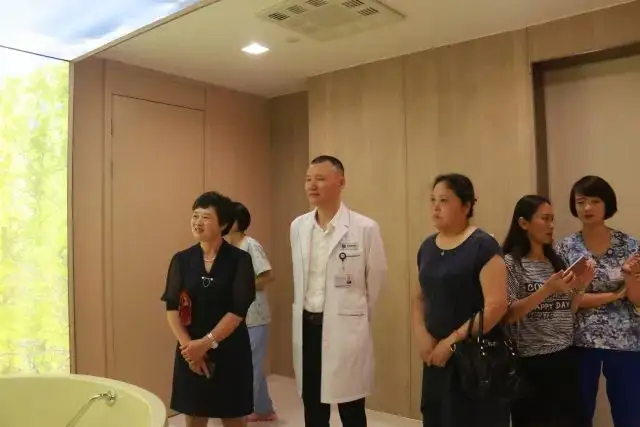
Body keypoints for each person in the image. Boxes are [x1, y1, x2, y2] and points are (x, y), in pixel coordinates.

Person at [290, 155, 388, 427]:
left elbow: (376, 279)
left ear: (341, 182)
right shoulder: (298, 227)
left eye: (320, 179)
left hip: (345, 329)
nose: (312, 185)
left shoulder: (365, 228)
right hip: (307, 326)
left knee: (351, 406)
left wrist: (353, 314)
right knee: (313, 405)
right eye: (308, 179)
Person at [412, 173, 509, 427]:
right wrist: (421, 333)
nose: (435, 207)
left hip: (475, 358)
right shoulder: (427, 247)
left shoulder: (483, 246)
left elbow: (497, 306)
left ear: (466, 206)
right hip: (436, 356)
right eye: (433, 200)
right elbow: (420, 296)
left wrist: (452, 341)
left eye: (444, 200)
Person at [161, 191, 256, 427]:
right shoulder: (182, 260)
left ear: (223, 224)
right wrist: (189, 349)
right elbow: (172, 307)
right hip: (190, 349)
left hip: (230, 349)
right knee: (194, 416)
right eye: (195, 216)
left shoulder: (240, 260)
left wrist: (206, 343)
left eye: (205, 217)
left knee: (233, 418)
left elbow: (237, 310)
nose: (197, 222)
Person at [554, 176, 640, 427]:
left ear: (607, 204)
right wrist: (616, 294)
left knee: (630, 414)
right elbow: (567, 299)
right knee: (578, 413)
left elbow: (636, 298)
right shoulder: (564, 248)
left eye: (595, 201)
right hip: (579, 340)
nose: (587, 208)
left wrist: (629, 280)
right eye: (581, 202)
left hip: (626, 339)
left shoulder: (630, 246)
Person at [501, 195, 594, 427]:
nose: (551, 225)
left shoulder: (555, 261)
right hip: (531, 363)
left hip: (565, 356)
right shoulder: (511, 263)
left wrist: (581, 286)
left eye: (552, 219)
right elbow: (509, 314)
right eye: (545, 219)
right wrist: (547, 289)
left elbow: (568, 310)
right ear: (523, 223)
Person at [226, 201, 278, 422]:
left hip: (255, 317)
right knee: (249, 365)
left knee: (251, 366)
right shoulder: (227, 248)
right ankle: (264, 410)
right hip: (235, 318)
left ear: (237, 222)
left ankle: (244, 410)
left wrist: (243, 287)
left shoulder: (250, 245)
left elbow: (267, 276)